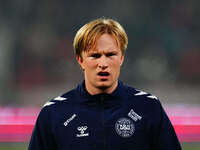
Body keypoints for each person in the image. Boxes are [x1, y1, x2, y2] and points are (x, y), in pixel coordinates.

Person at [28, 18, 182, 150]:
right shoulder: (54, 113)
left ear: (121, 58)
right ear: (80, 60)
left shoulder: (148, 107)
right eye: (95, 56)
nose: (103, 63)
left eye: (110, 55)